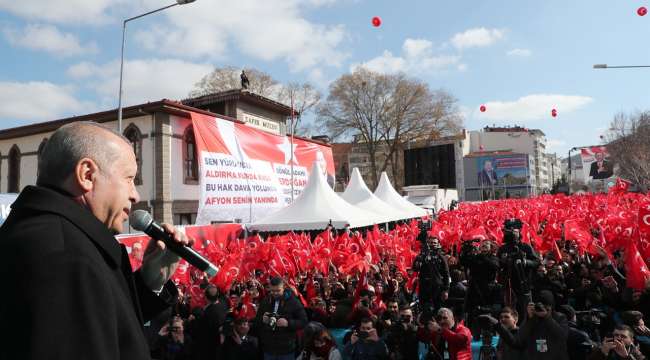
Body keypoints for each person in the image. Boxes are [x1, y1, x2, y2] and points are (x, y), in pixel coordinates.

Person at [0, 122, 189, 359]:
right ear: (87, 175)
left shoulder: (53, 237)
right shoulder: (65, 257)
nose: (135, 194)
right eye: (129, 178)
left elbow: (102, 322)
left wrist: (149, 283)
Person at [496, 218, 540, 321]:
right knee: (509, 311)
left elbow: (537, 262)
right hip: (508, 285)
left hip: (524, 284)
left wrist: (525, 262)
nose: (512, 233)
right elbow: (497, 264)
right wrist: (504, 261)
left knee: (526, 312)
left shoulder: (526, 247)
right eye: (510, 230)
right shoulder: (503, 249)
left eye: (515, 230)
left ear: (519, 232)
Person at [254, 276, 308, 360]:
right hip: (269, 348)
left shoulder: (293, 302)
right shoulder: (265, 301)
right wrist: (262, 319)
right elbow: (257, 321)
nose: (275, 293)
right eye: (272, 290)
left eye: (278, 290)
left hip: (287, 349)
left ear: (284, 288)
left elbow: (304, 321)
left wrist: (288, 323)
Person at [412, 236, 450, 313]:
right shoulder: (422, 255)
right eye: (430, 242)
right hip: (424, 288)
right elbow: (415, 268)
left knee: (437, 310)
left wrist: (446, 290)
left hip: (437, 288)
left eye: (434, 243)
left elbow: (446, 274)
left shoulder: (441, 257)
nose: (432, 244)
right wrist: (422, 256)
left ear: (438, 244)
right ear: (427, 244)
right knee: (425, 310)